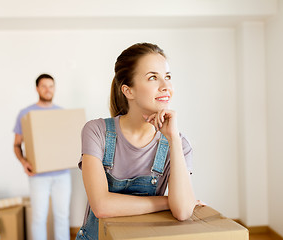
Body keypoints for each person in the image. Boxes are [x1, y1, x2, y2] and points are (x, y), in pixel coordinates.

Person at [76, 43, 203, 240]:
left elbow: (183, 211)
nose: (166, 86)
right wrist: (166, 201)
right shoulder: (96, 131)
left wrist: (173, 139)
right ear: (128, 91)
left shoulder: (179, 144)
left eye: (167, 77)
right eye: (153, 77)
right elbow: (101, 206)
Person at [13, 73, 71, 240]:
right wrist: (24, 162)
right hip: (38, 175)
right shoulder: (26, 113)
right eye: (44, 86)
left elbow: (67, 143)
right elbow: (16, 145)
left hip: (62, 174)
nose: (48, 90)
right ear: (37, 88)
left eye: (51, 86)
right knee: (38, 217)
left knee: (62, 217)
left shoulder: (61, 113)